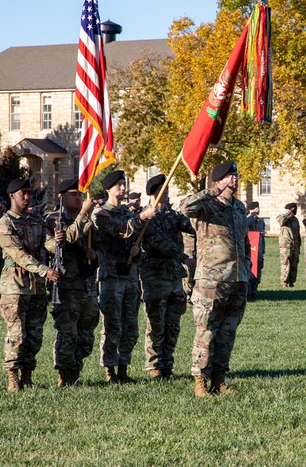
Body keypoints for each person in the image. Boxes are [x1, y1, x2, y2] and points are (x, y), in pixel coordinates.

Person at [182, 161, 251, 397]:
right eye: (229, 176)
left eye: (236, 175)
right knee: (206, 331)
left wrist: (247, 269)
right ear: (218, 180)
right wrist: (214, 190)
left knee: (227, 332)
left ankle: (219, 380)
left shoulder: (240, 208)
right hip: (211, 280)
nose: (234, 179)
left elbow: (243, 240)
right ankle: (200, 381)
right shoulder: (206, 206)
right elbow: (186, 207)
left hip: (236, 278)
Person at [0, 178, 58, 392]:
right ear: (12, 195)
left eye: (29, 193)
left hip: (37, 287)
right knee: (17, 335)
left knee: (35, 334)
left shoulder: (35, 221)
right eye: (23, 193)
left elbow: (48, 243)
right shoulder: (5, 224)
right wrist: (45, 270)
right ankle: (13, 378)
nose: (27, 197)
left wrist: (57, 242)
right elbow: (18, 255)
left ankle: (28, 376)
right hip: (14, 286)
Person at [93, 169, 150, 384]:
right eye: (119, 184)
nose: (123, 188)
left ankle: (123, 368)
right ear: (108, 189)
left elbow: (136, 239)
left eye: (124, 184)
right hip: (111, 276)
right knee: (112, 325)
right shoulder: (101, 213)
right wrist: (141, 217)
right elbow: (118, 231)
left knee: (131, 326)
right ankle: (110, 370)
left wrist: (138, 252)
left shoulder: (128, 213)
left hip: (130, 276)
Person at [139, 173, 195, 380]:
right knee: (155, 323)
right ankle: (155, 367)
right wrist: (182, 257)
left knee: (173, 323)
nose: (167, 193)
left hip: (173, 276)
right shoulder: (146, 216)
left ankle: (167, 364)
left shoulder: (172, 215)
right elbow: (157, 241)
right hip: (155, 276)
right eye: (163, 189)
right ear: (154, 192)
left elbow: (191, 227)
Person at [44, 179, 99, 387]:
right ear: (61, 197)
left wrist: (95, 256)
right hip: (66, 285)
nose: (79, 197)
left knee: (86, 335)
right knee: (68, 333)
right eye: (74, 194)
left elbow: (100, 247)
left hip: (87, 283)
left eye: (80, 194)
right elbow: (65, 240)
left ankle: (76, 369)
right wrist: (84, 214)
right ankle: (65, 375)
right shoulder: (54, 219)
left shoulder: (87, 220)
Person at [276, 203, 301, 287]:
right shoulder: (282, 217)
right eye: (294, 209)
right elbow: (281, 222)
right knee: (286, 264)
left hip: (295, 245)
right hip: (285, 246)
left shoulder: (295, 220)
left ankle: (292, 281)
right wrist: (288, 212)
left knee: (294, 264)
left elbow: (297, 233)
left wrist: (299, 246)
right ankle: (284, 281)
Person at [245, 201, 266, 300]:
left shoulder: (260, 221)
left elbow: (262, 237)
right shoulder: (247, 220)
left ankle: (255, 290)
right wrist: (251, 216)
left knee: (258, 270)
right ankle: (248, 291)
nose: (259, 209)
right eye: (257, 207)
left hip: (259, 250)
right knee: (249, 270)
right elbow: (245, 231)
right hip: (250, 250)